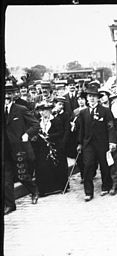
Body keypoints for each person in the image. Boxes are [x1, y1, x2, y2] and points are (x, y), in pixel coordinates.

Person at [4, 80, 40, 215]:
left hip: (18, 149)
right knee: (6, 180)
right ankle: (10, 205)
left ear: (13, 95)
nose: (6, 98)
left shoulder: (21, 109)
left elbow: (35, 125)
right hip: (5, 151)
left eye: (9, 95)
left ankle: (34, 191)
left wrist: (27, 134)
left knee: (22, 175)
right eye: (5, 95)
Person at [77, 82, 117, 201]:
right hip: (88, 144)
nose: (92, 99)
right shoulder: (83, 113)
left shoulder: (105, 111)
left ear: (98, 98)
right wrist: (80, 143)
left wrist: (112, 141)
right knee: (88, 165)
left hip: (102, 143)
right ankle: (88, 192)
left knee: (104, 166)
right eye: (89, 96)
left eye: (94, 96)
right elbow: (81, 130)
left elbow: (110, 127)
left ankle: (106, 186)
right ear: (87, 98)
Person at [32, 102, 69, 196]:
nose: (42, 113)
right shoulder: (38, 121)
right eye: (40, 111)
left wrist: (49, 136)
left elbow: (60, 132)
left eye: (43, 110)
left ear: (49, 111)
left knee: (57, 165)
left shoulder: (56, 120)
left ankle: (59, 186)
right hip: (42, 148)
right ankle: (45, 189)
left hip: (55, 146)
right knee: (43, 167)